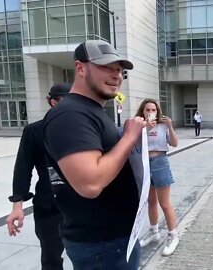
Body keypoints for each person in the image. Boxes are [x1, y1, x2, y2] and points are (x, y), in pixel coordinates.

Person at [43, 40, 146, 270]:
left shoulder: (91, 110)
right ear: (80, 68)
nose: (116, 75)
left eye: (119, 70)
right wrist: (129, 137)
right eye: (106, 67)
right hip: (102, 246)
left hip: (115, 241)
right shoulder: (70, 114)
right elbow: (90, 183)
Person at [6, 83, 71, 270]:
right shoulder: (34, 131)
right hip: (48, 205)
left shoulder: (82, 129)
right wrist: (17, 204)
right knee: (51, 258)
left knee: (86, 255)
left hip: (81, 205)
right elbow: (23, 168)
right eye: (67, 102)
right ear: (53, 102)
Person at [136, 98, 180, 256]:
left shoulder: (162, 126)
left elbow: (175, 143)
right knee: (151, 201)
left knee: (165, 203)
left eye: (153, 110)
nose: (150, 113)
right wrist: (146, 128)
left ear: (158, 111)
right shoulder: (139, 126)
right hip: (145, 163)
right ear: (142, 111)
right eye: (147, 110)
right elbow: (134, 144)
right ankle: (154, 231)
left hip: (160, 162)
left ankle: (173, 235)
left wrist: (170, 126)